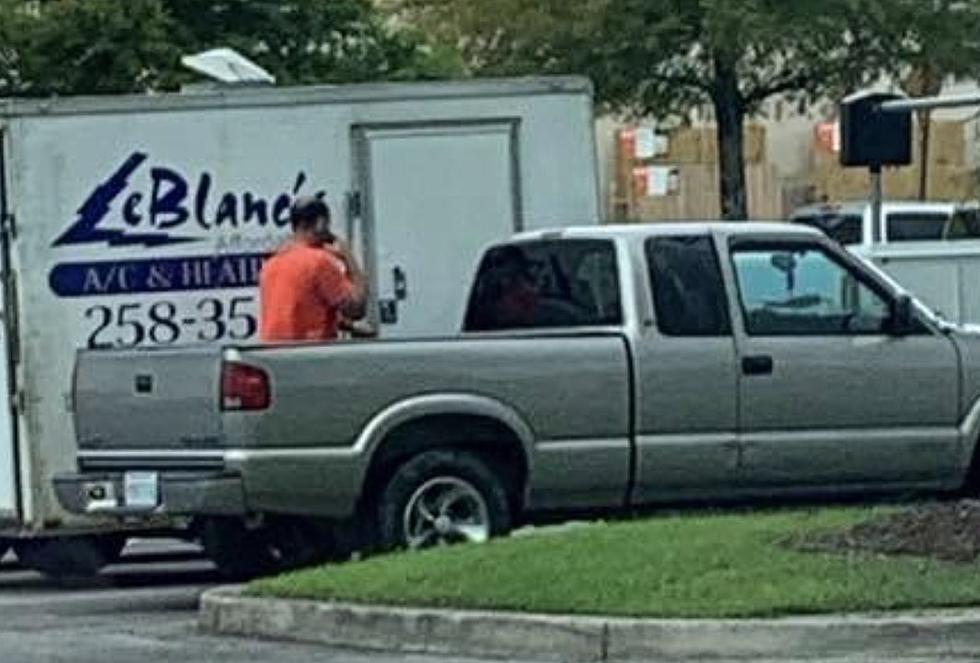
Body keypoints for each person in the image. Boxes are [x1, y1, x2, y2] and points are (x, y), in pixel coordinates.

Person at [259, 196, 367, 342]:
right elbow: (357, 309)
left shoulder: (271, 265)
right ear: (321, 223)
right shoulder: (320, 262)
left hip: (273, 354)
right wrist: (348, 257)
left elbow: (294, 312)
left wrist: (343, 325)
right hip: (310, 354)